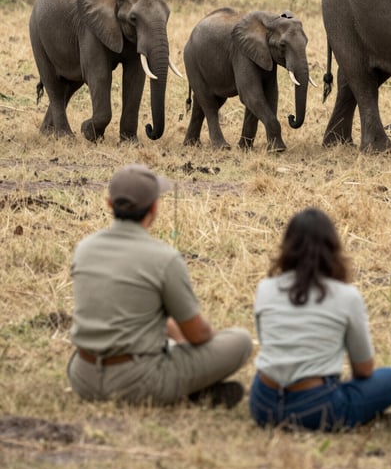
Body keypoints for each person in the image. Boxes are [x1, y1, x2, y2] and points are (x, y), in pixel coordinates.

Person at [67, 163, 253, 408]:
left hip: (83, 375)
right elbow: (198, 334)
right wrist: (196, 348)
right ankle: (190, 392)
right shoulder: (164, 258)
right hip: (137, 380)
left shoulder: (84, 248)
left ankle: (191, 391)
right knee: (241, 340)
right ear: (154, 207)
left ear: (109, 204)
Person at [249, 207, 391, 430]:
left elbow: (268, 345)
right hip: (315, 406)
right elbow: (364, 369)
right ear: (333, 248)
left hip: (263, 404)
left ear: (286, 247)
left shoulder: (265, 288)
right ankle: (355, 417)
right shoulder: (347, 296)